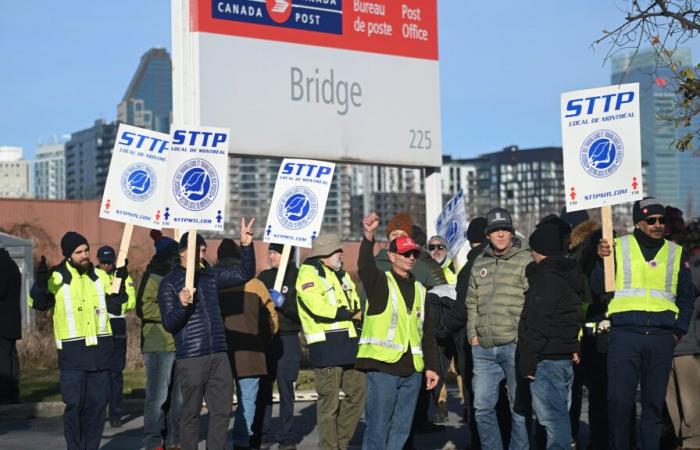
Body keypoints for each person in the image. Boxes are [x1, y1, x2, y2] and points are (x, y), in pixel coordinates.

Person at [595, 197, 694, 450]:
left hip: (661, 337)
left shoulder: (674, 252)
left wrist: (678, 331)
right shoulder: (617, 247)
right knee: (619, 403)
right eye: (651, 220)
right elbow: (597, 288)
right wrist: (600, 260)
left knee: (653, 406)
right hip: (625, 336)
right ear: (638, 223)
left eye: (661, 220)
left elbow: (686, 296)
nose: (658, 225)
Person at [159, 219, 256, 450]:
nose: (202, 256)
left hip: (219, 354)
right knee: (190, 413)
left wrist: (246, 246)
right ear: (183, 252)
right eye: (198, 250)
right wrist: (182, 304)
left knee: (222, 410)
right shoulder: (169, 283)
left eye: (204, 251)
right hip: (191, 357)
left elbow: (244, 274)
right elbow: (170, 324)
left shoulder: (210, 276)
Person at [29, 231, 127, 450]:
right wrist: (41, 285)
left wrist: (119, 281)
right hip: (72, 356)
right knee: (74, 406)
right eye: (78, 252)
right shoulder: (56, 277)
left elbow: (118, 306)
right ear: (68, 255)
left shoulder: (100, 277)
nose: (84, 255)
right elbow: (37, 303)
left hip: (101, 353)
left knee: (98, 406)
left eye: (86, 250)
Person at [357, 212, 440, 450]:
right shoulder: (380, 283)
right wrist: (368, 236)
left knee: (402, 430)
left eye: (413, 253)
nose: (410, 257)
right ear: (391, 256)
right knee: (378, 428)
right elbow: (364, 267)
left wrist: (432, 366)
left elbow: (427, 333)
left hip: (412, 371)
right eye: (404, 253)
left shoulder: (420, 290)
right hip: (383, 368)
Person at [466, 208, 531, 450]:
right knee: (482, 408)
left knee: (519, 407)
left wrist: (522, 338)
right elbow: (471, 301)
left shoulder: (525, 260)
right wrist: (473, 334)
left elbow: (533, 300)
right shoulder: (479, 262)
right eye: (495, 231)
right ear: (488, 235)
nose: (501, 235)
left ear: (512, 232)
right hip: (483, 349)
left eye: (504, 230)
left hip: (514, 346)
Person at [296, 233, 366, 450]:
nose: (341, 254)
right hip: (326, 347)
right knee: (329, 404)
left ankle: (340, 443)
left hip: (349, 345)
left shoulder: (342, 275)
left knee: (359, 394)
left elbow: (354, 302)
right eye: (337, 250)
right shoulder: (308, 274)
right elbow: (318, 307)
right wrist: (350, 314)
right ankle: (329, 447)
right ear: (324, 254)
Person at [517, 224, 584, 450]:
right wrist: (573, 345)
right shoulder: (564, 277)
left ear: (539, 250)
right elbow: (570, 316)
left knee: (552, 420)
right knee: (559, 417)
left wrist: (528, 361)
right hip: (561, 357)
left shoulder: (548, 280)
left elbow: (538, 324)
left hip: (547, 360)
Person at [215, 238, 278, 450]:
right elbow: (271, 320)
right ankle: (242, 443)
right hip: (250, 352)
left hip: (219, 352)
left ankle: (216, 443)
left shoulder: (210, 282)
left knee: (219, 405)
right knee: (247, 402)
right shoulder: (255, 285)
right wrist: (264, 340)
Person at [136, 232, 182, 450]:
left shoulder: (177, 277)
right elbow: (143, 307)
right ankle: (153, 439)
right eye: (175, 256)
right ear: (167, 257)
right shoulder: (152, 276)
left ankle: (175, 438)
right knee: (158, 396)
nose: (178, 259)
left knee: (178, 397)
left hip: (177, 343)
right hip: (158, 344)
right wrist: (171, 311)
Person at [257, 243, 302, 450]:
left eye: (274, 253)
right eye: (270, 253)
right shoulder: (264, 277)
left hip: (289, 337)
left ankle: (286, 435)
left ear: (285, 255)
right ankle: (263, 432)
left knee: (286, 388)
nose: (270, 256)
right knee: (264, 387)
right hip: (268, 339)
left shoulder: (299, 277)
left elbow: (302, 313)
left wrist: (285, 303)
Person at [665, 221, 700, 449]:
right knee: (686, 405)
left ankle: (688, 442)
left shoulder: (683, 263)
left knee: (682, 404)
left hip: (677, 342)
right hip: (682, 342)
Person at [96, 245, 136, 428]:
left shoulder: (123, 276)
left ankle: (115, 413)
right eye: (103, 262)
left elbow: (129, 303)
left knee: (116, 373)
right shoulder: (93, 276)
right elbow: (102, 303)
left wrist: (119, 287)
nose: (106, 266)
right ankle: (97, 411)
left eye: (109, 262)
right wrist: (115, 298)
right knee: (99, 373)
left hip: (118, 326)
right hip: (100, 326)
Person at [425, 234, 459, 424]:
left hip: (457, 327)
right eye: (432, 247)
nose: (436, 251)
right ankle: (441, 404)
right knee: (438, 367)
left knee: (460, 370)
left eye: (441, 247)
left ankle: (469, 407)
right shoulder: (424, 272)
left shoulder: (455, 269)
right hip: (436, 328)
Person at [374, 213, 447, 289]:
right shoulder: (375, 264)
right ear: (388, 237)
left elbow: (442, 293)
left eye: (403, 235)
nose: (398, 238)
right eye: (394, 234)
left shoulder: (423, 266)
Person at [0, 240, 21, 404]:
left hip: (3, 320)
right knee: (10, 355)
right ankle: (12, 392)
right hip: (12, 319)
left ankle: (6, 393)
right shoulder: (11, 264)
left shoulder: (2, 265)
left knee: (4, 358)